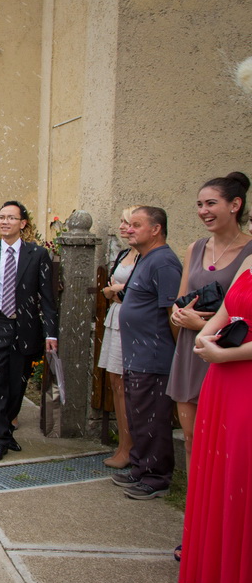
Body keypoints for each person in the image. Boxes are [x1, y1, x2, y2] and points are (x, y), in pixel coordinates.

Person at [179, 254, 252, 583]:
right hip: (221, 379)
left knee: (242, 476)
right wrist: (205, 338)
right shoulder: (249, 259)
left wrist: (227, 354)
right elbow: (225, 311)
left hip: (245, 376)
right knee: (221, 476)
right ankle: (218, 576)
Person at [168, 172, 252, 460]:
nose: (203, 211)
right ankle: (194, 492)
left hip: (230, 351)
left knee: (222, 441)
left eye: (211, 203)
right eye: (199, 204)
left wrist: (201, 324)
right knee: (191, 438)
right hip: (191, 350)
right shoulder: (196, 248)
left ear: (235, 205)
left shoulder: (250, 252)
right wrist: (178, 316)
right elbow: (179, 300)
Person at [0, 201, 57, 461]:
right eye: (1, 217)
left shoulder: (38, 254)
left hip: (25, 326)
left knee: (17, 384)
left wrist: (51, 333)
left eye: (11, 218)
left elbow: (47, 297)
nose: (4, 222)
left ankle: (7, 428)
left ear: (22, 223)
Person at [112, 206, 182, 500]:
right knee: (139, 417)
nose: (129, 229)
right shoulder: (145, 258)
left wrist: (179, 357)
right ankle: (141, 468)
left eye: (136, 225)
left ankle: (157, 478)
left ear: (156, 229)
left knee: (153, 419)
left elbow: (173, 313)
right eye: (129, 224)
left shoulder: (164, 262)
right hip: (137, 356)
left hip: (154, 357)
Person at [97, 206, 141, 468]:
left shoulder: (146, 257)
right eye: (123, 222)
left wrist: (117, 290)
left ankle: (130, 448)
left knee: (127, 385)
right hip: (115, 317)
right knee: (115, 382)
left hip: (131, 321)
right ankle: (123, 444)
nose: (123, 227)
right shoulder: (125, 253)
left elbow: (134, 291)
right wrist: (114, 290)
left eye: (128, 222)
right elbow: (109, 289)